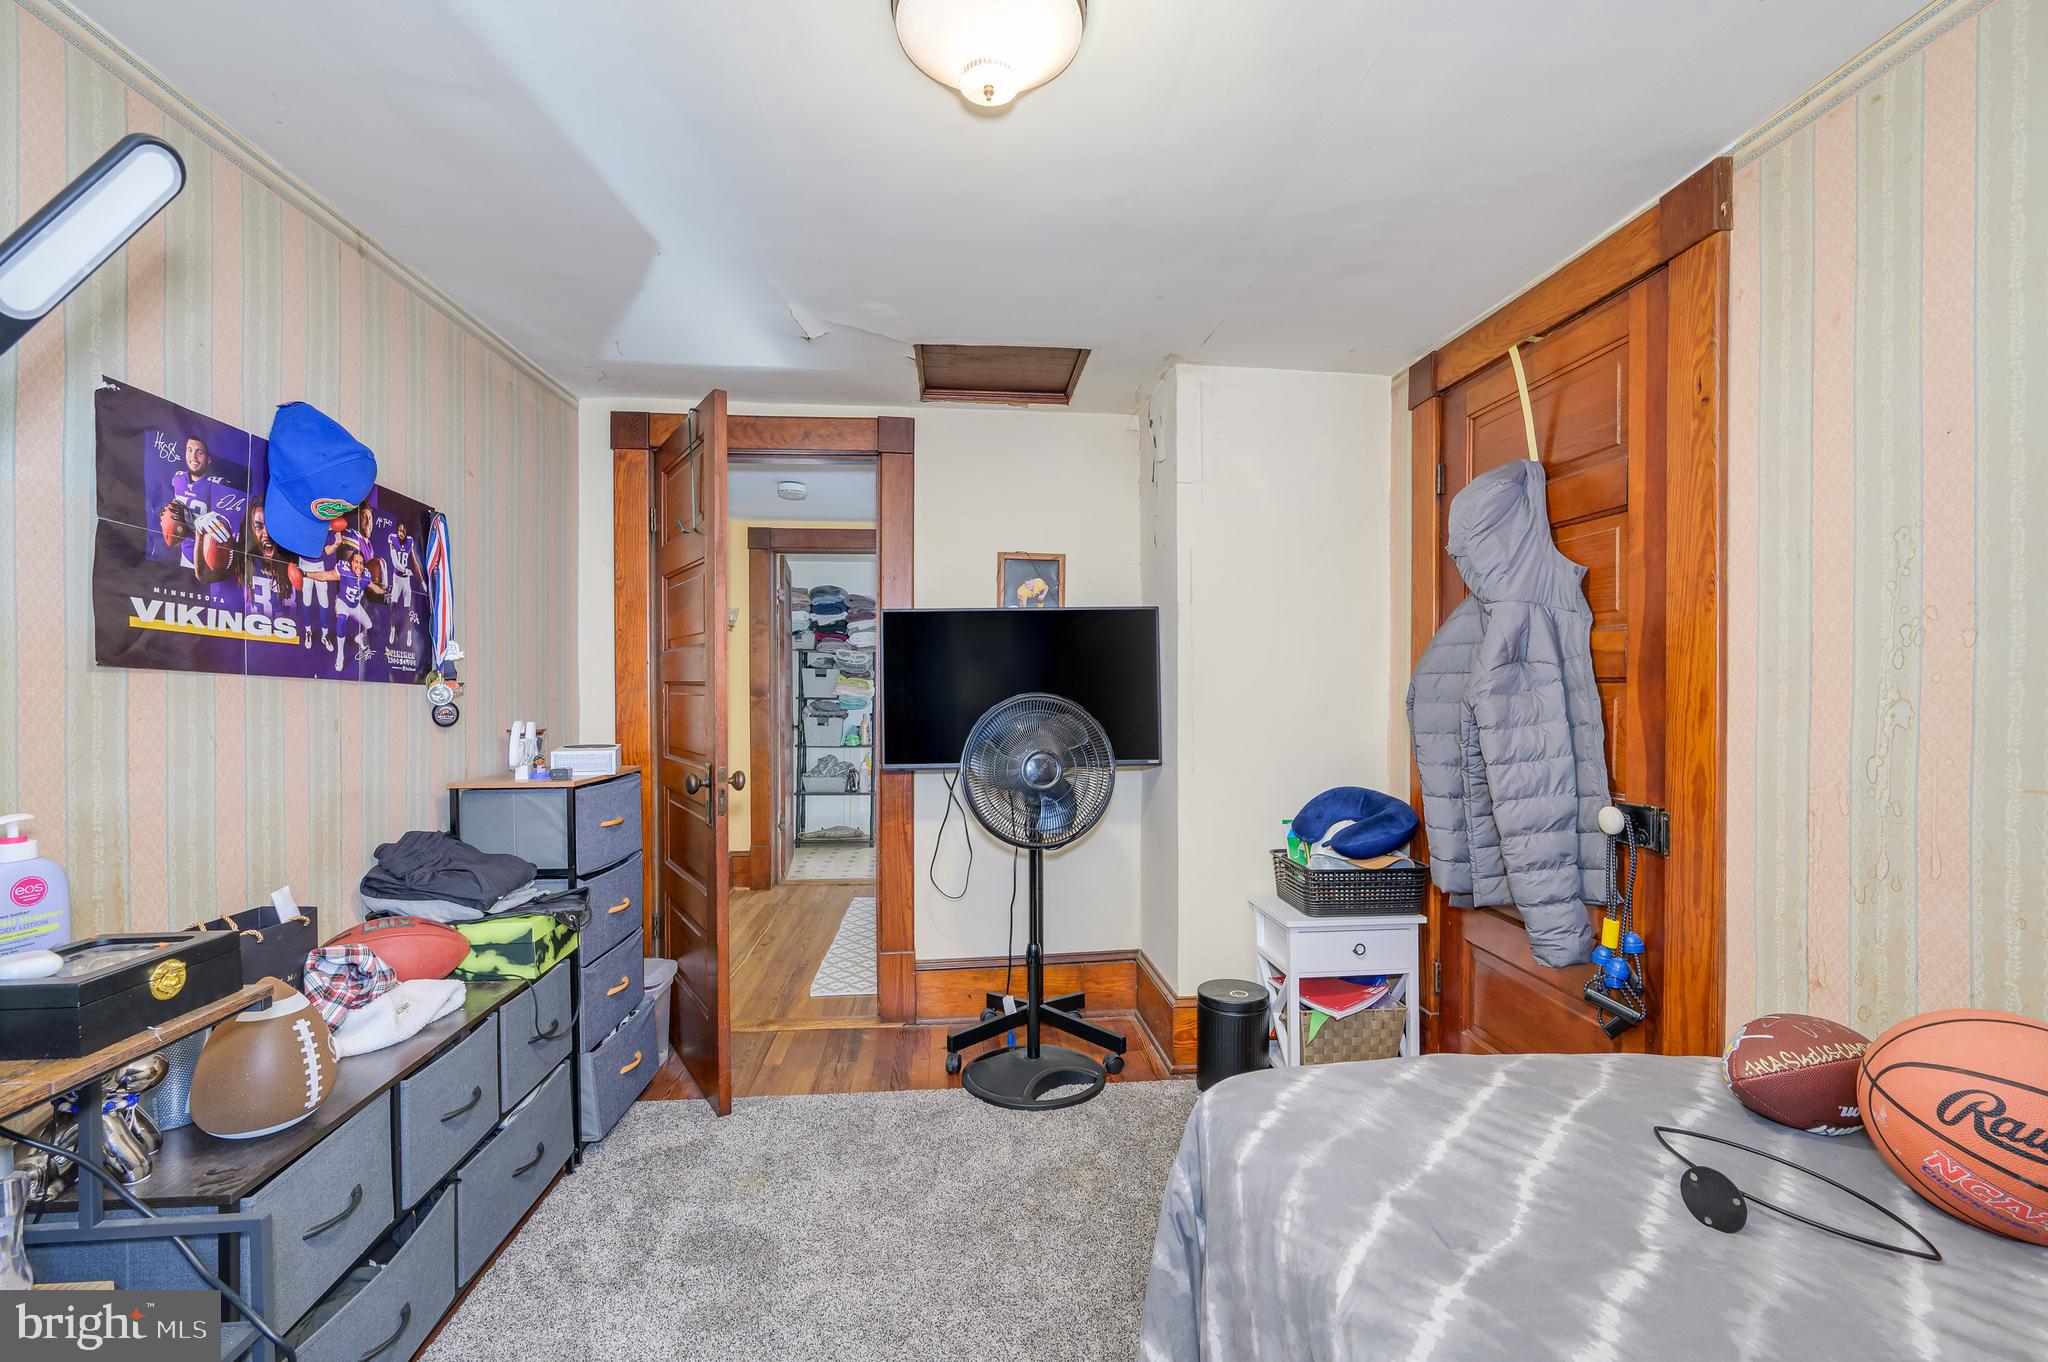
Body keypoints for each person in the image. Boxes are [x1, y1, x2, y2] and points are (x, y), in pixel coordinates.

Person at [384, 518, 418, 646]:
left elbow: (412, 557)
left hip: (406, 581)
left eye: (403, 531)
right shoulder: (392, 538)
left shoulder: (410, 541)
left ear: (406, 532)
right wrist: (405, 569)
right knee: (393, 606)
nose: (401, 533)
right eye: (399, 530)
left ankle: (409, 633)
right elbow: (394, 562)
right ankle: (392, 630)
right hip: (397, 579)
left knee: (407, 608)